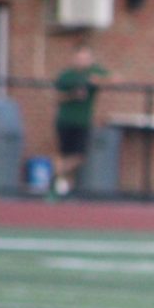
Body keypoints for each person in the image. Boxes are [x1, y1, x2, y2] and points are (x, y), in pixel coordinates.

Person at [52, 44, 112, 197]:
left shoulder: (94, 72)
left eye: (86, 58)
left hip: (83, 122)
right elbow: (56, 97)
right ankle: (60, 187)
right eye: (80, 58)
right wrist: (73, 95)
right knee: (63, 153)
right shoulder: (67, 76)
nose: (83, 61)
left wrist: (97, 80)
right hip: (65, 120)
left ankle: (56, 177)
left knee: (79, 156)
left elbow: (115, 79)